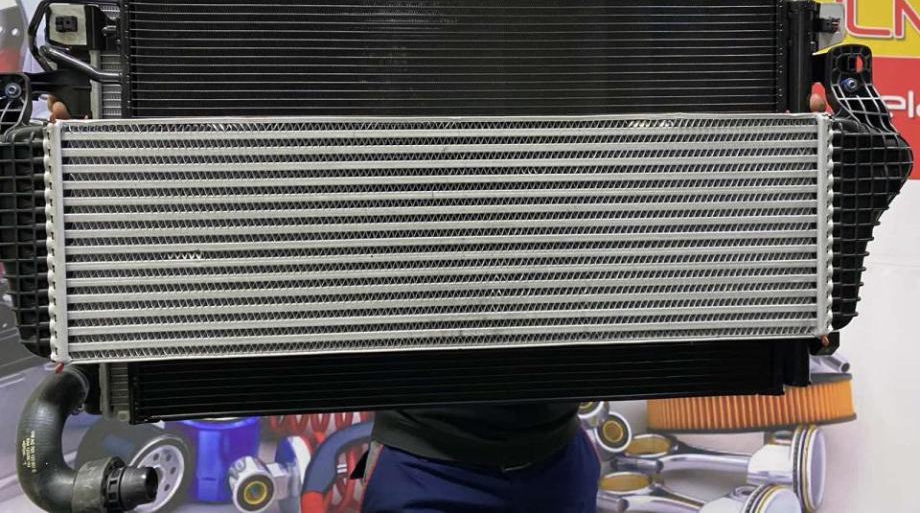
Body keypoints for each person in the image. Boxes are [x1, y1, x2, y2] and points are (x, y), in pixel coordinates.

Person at [48, 91, 829, 513]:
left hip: (557, 463)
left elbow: (700, 217)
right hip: (431, 475)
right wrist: (83, 170)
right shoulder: (386, 198)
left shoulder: (583, 195)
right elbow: (225, 221)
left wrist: (815, 159)